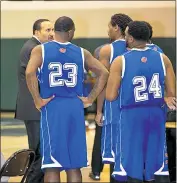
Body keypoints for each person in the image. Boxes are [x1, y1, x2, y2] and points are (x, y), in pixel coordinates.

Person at [25, 16, 109, 183]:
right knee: (73, 165)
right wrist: (89, 98)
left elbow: (29, 73)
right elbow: (104, 73)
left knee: (52, 165)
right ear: (71, 32)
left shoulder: (40, 50)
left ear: (55, 31)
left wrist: (37, 100)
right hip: (74, 108)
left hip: (52, 107)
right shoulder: (81, 52)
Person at [106, 21, 176, 183]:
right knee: (155, 158)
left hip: (132, 115)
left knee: (131, 160)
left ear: (129, 38)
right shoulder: (163, 58)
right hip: (156, 114)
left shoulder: (120, 61)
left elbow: (110, 96)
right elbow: (172, 95)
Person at [15, 19, 54, 183]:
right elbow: (37, 79)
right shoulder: (34, 48)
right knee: (40, 152)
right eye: (47, 30)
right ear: (37, 32)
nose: (51, 33)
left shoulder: (35, 47)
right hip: (33, 107)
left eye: (53, 29)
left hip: (33, 107)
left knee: (39, 151)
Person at [89, 44, 106, 181]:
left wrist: (99, 110)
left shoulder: (102, 50)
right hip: (127, 102)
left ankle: (96, 171)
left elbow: (99, 78)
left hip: (106, 98)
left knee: (100, 135)